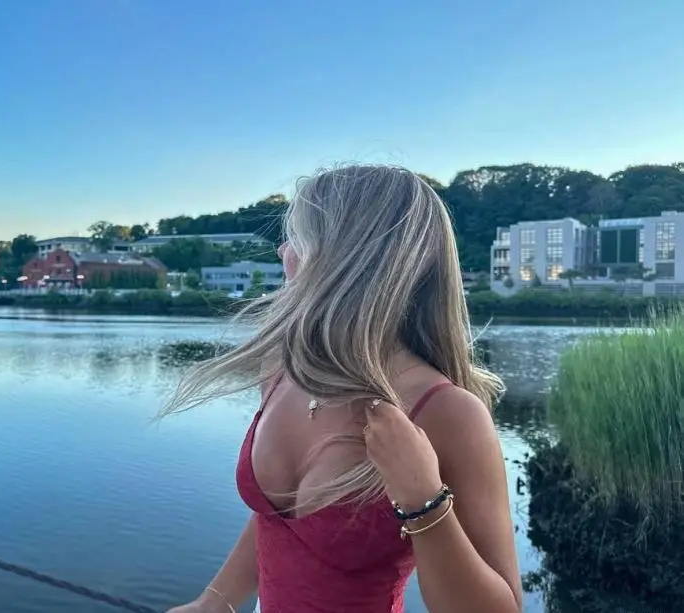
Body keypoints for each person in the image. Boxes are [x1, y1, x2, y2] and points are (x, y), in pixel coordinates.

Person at [161, 165, 522, 613]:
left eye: (297, 238)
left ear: (342, 259)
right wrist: (213, 602)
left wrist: (423, 501)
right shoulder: (282, 369)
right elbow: (275, 519)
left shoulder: (447, 413)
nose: (283, 252)